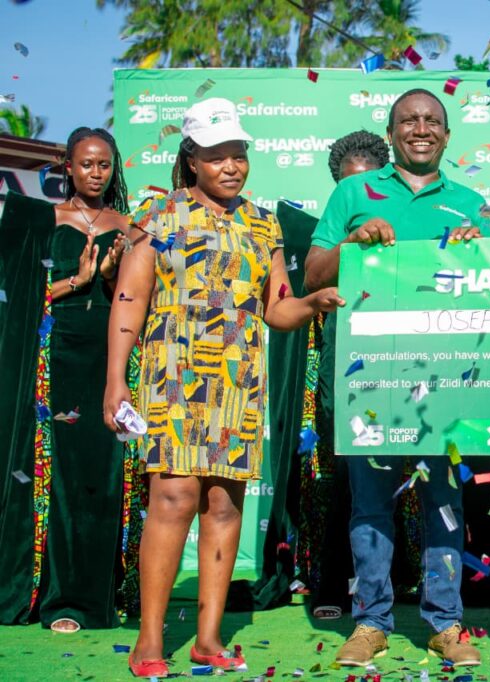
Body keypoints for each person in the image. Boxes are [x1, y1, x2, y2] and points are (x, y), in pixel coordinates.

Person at [102, 98, 345, 679]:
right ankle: (149, 640)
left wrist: (311, 302)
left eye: (239, 154)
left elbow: (277, 309)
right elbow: (130, 299)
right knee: (174, 498)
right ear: (192, 160)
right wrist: (116, 380)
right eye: (217, 157)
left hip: (239, 379)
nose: (231, 166)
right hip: (174, 374)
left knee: (223, 503)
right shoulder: (157, 215)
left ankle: (209, 639)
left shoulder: (263, 223)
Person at [304, 88, 485, 668]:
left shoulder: (471, 204)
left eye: (432, 121)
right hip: (372, 377)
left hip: (446, 378)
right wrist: (352, 244)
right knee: (370, 504)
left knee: (444, 501)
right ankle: (371, 622)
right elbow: (312, 274)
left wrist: (480, 251)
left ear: (447, 136)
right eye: (409, 120)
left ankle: (446, 623)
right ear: (392, 133)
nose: (421, 129)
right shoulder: (354, 193)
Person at [0, 127, 131, 632]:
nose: (96, 173)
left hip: (110, 359)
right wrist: (78, 280)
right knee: (58, 474)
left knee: (105, 474)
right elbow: (20, 296)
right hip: (55, 358)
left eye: (104, 165)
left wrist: (111, 276)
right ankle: (60, 599)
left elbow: (134, 300)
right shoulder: (44, 221)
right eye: (87, 164)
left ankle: (100, 595)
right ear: (68, 168)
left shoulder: (127, 226)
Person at [307, 129, 390, 620]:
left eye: (367, 182)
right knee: (346, 475)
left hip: (410, 356)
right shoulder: (338, 218)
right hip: (348, 355)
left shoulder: (407, 208)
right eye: (346, 183)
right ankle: (334, 584)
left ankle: (418, 584)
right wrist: (350, 244)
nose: (357, 190)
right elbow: (311, 277)